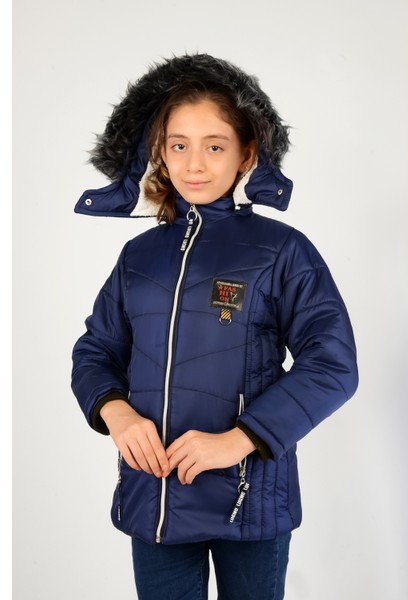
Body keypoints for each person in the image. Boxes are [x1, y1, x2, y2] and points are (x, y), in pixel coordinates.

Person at [71, 53, 358, 600]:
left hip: (250, 499)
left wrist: (240, 439)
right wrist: (116, 412)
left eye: (215, 146)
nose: (195, 164)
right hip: (154, 496)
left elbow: (333, 364)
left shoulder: (282, 251)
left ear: (248, 153)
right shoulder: (138, 257)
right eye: (179, 145)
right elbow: (95, 351)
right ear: (158, 151)